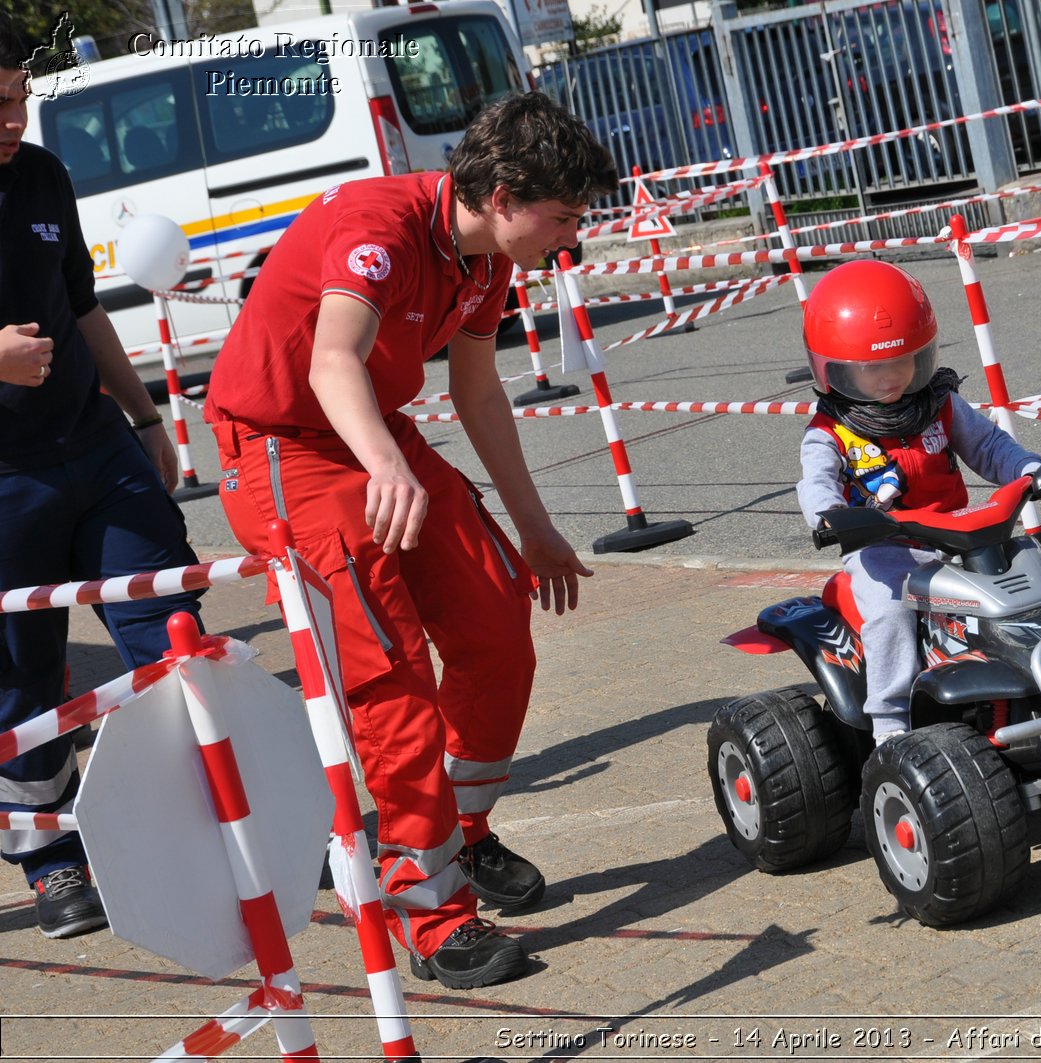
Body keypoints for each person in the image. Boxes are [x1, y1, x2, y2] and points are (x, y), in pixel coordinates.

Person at [203, 91, 616, 990]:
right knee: (390, 675)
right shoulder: (377, 227)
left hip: (374, 435)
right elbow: (331, 360)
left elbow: (476, 392)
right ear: (504, 196)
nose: (568, 240)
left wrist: (535, 527)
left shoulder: (487, 258)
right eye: (562, 218)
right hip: (284, 448)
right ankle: (430, 911)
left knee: (497, 618)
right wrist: (387, 467)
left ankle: (456, 840)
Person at [0, 16, 203, 939]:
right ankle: (50, 857)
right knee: (21, 677)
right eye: (1, 102)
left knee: (173, 628)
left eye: (21, 96)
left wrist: (146, 414)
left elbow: (81, 305)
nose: (17, 115)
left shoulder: (42, 173)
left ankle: (222, 809)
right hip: (5, 485)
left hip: (96, 447)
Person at [795, 259, 1041, 744]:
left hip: (958, 532)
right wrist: (830, 515)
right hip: (885, 547)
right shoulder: (829, 433)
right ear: (837, 371)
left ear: (922, 354)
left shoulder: (940, 403)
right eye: (873, 369)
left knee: (1026, 570)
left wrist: (1027, 468)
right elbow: (816, 480)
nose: (891, 377)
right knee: (888, 610)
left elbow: (990, 448)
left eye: (901, 361)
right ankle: (890, 725)